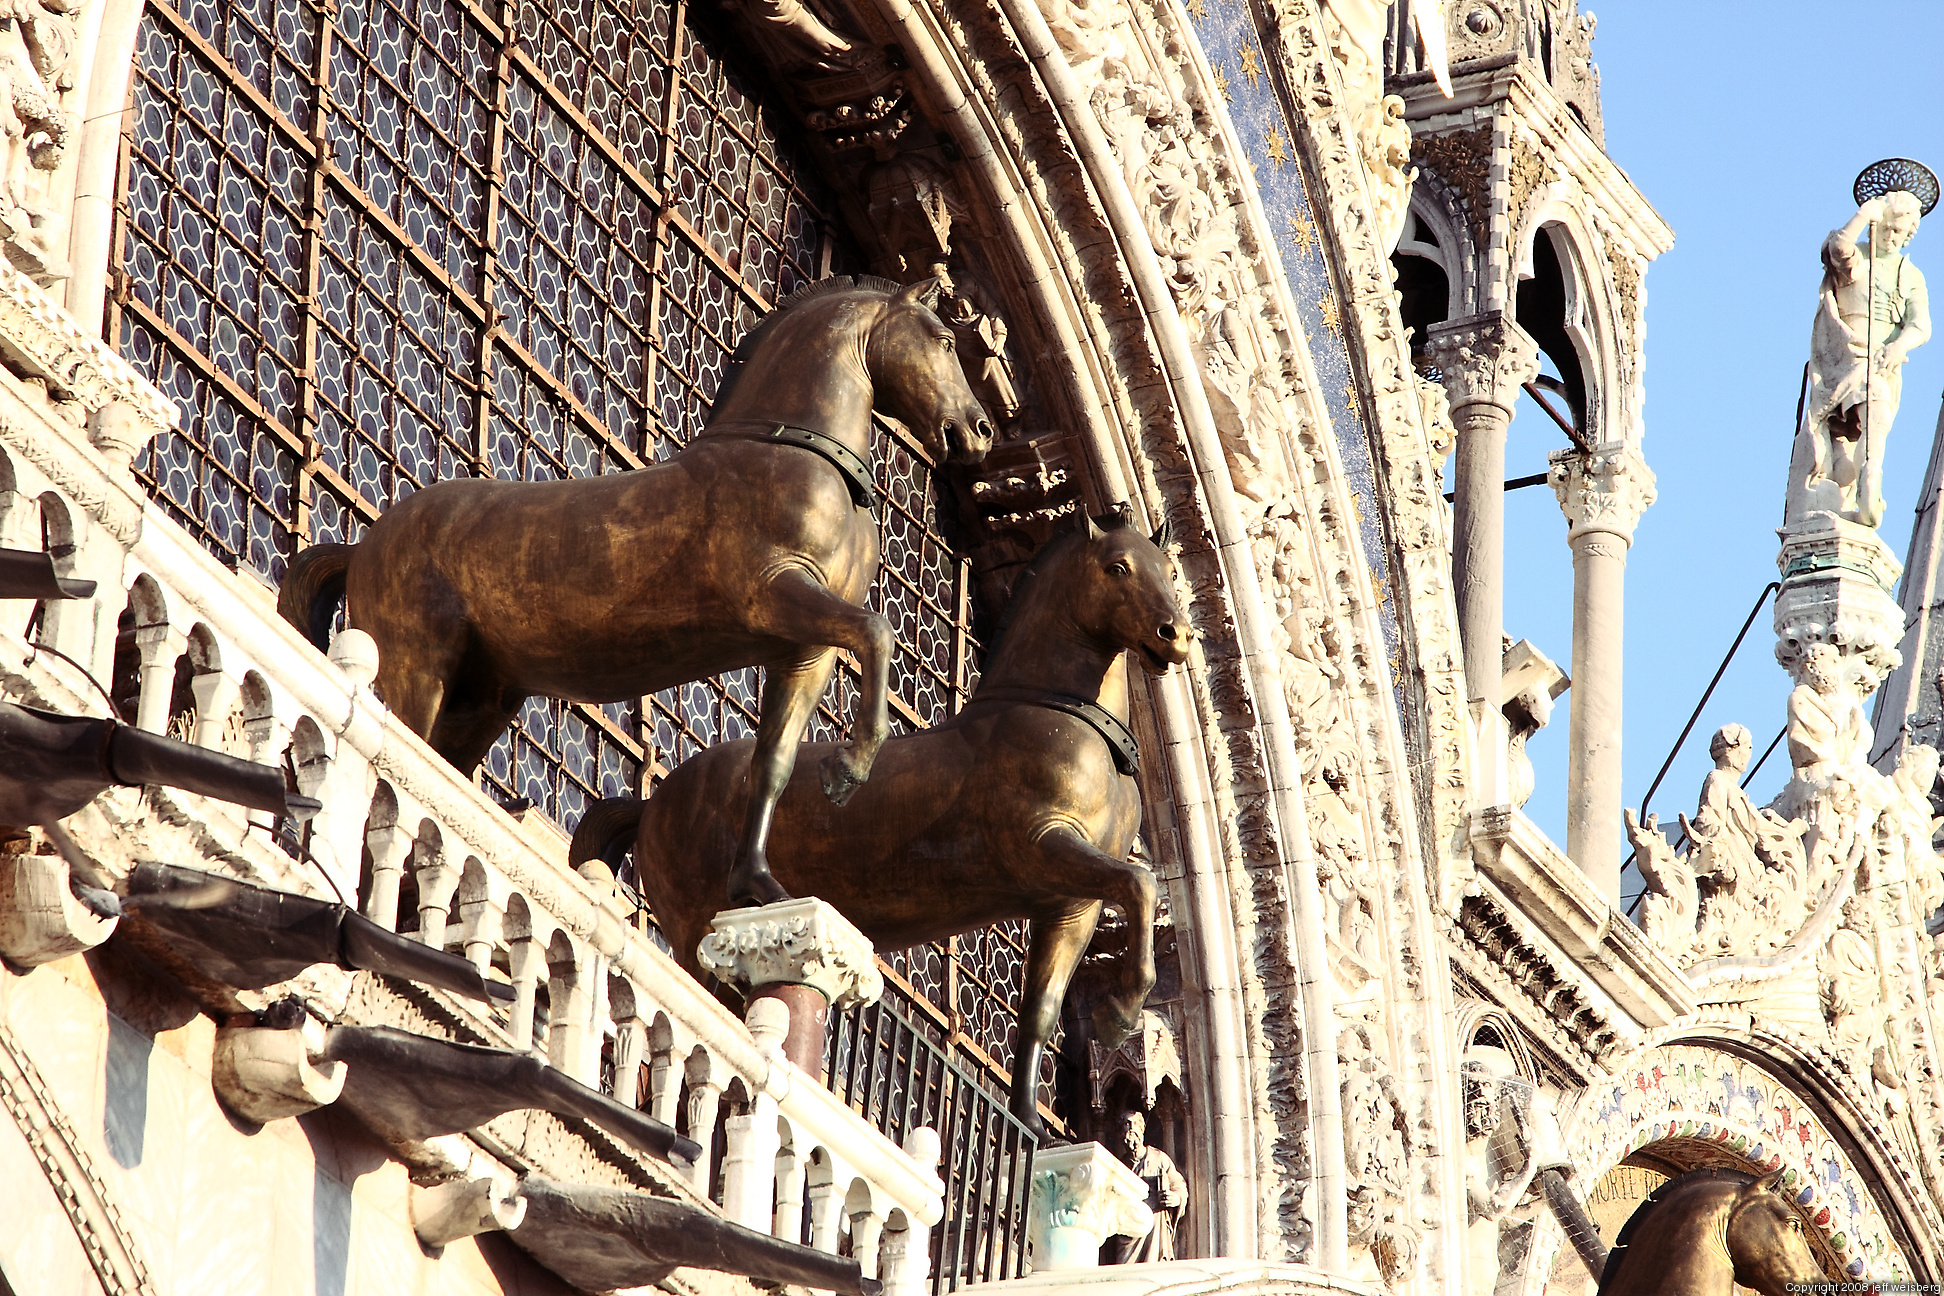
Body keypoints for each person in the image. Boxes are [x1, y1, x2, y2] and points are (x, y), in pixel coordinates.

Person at [1788, 191, 1930, 527]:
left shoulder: (1910, 275)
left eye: (1898, 232)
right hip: (1843, 352)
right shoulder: (1861, 257)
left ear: (1908, 235)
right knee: (1857, 414)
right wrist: (1865, 214)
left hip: (1881, 358)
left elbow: (1921, 325)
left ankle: (1868, 473)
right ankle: (1859, 471)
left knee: (1872, 415)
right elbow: (1839, 249)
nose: (1891, 236)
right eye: (1886, 228)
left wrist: (1899, 347)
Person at [1105, 1109, 1187, 1263]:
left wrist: (1174, 1198)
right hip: (1128, 1229)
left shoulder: (1158, 1158)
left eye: (1135, 1124)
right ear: (1120, 1132)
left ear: (1142, 1129)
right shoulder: (1119, 1167)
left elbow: (1179, 1186)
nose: (1131, 1128)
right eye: (1126, 1124)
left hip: (1154, 1226)